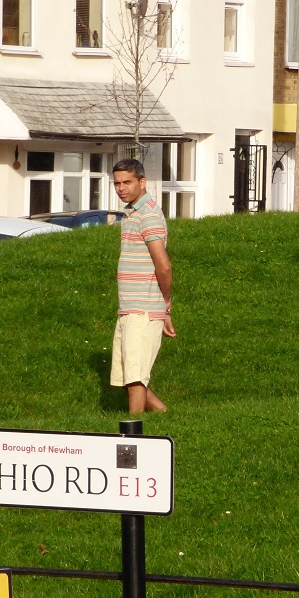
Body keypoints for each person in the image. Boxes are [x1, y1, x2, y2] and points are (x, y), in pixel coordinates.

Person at [110, 158, 174, 414]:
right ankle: (165, 417)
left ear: (142, 182)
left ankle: (133, 434)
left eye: (127, 182)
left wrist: (165, 302)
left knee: (136, 378)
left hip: (143, 310)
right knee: (127, 377)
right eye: (117, 183)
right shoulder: (132, 214)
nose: (121, 188)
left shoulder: (148, 215)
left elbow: (164, 266)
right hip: (129, 308)